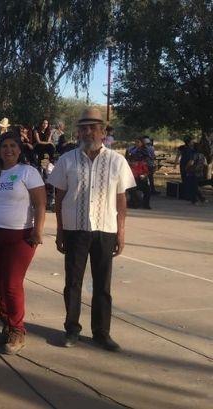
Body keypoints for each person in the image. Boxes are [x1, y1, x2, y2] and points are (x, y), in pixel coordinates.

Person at [48, 107, 136, 352]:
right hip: (75, 229)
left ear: (102, 131)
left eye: (93, 127)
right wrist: (60, 230)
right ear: (78, 131)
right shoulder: (67, 160)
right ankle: (72, 330)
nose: (88, 132)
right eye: (83, 128)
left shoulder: (117, 161)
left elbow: (121, 199)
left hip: (105, 228)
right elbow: (59, 195)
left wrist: (121, 231)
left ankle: (101, 332)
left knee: (102, 285)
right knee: (73, 283)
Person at [0, 132, 46, 354]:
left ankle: (18, 329)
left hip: (20, 237)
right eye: (4, 146)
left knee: (12, 284)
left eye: (13, 145)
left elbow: (40, 204)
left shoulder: (28, 172)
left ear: (19, 149)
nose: (8, 149)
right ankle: (6, 325)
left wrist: (38, 230)